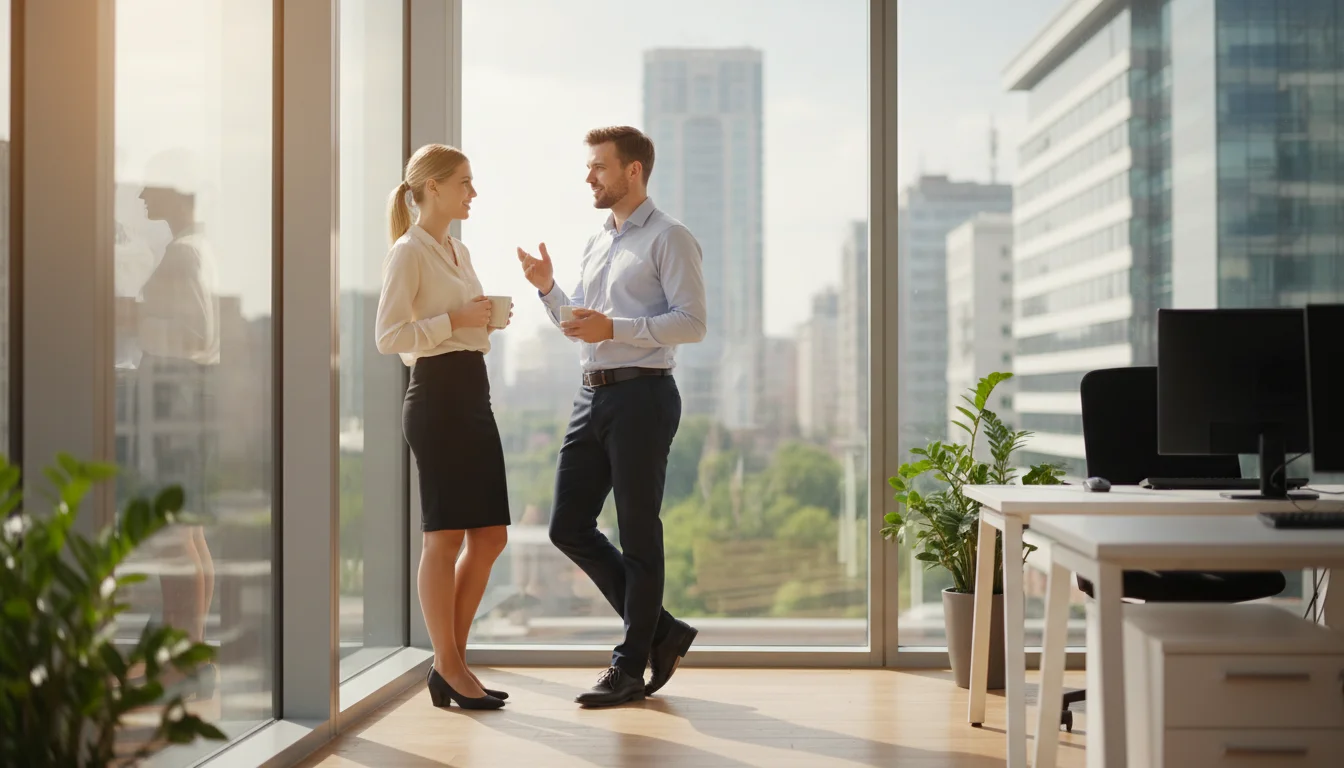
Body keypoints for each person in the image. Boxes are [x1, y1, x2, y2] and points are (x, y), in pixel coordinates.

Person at [517, 125, 707, 707]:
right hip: (591, 394)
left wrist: (617, 328)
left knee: (638, 532)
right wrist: (550, 291)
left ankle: (629, 668)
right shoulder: (599, 240)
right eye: (589, 166)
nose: (589, 176)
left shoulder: (670, 238)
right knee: (566, 526)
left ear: (633, 171)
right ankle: (663, 631)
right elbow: (581, 322)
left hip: (643, 397)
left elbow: (692, 322)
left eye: (599, 166)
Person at [375, 144, 512, 711]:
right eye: (465, 182)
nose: (472, 192)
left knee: (491, 535)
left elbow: (457, 325)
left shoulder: (458, 248)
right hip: (436, 398)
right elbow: (388, 337)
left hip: (471, 391)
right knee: (444, 537)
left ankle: (447, 663)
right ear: (433, 187)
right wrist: (453, 321)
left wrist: (482, 320)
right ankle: (452, 667)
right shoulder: (407, 252)